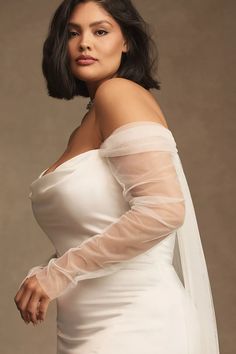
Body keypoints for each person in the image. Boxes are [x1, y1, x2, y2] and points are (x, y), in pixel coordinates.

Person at [14, 1, 220, 353]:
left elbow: (163, 210)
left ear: (127, 42)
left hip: (137, 324)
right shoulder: (92, 116)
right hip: (87, 328)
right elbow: (97, 225)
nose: (84, 44)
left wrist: (61, 272)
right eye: (73, 33)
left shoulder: (117, 94)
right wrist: (49, 268)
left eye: (101, 31)